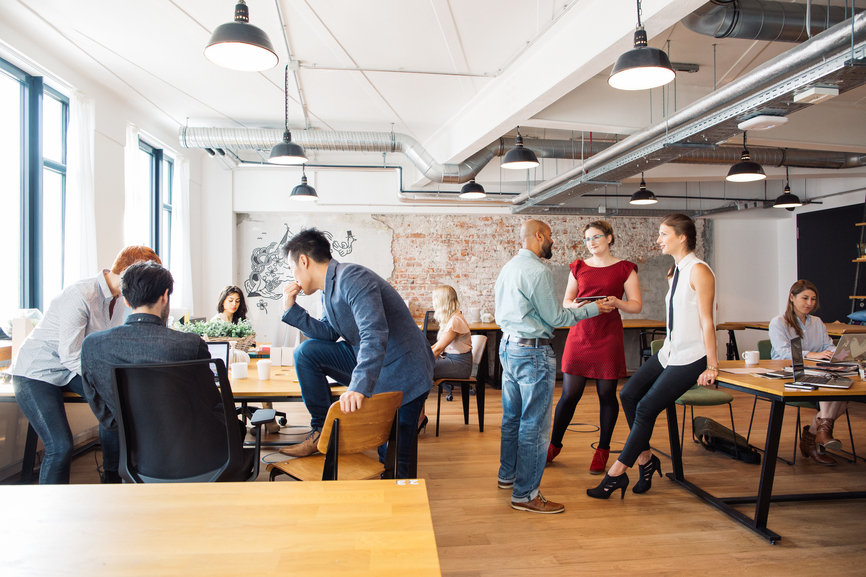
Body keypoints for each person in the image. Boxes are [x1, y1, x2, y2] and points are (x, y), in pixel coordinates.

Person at [277, 228, 435, 479]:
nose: (292, 276)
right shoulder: (328, 291)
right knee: (306, 352)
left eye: (292, 269)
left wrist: (359, 386)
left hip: (404, 368)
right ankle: (321, 429)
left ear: (303, 261)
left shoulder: (352, 277)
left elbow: (374, 332)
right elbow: (328, 332)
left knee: (393, 459)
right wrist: (292, 309)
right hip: (371, 359)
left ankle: (400, 506)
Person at [588, 214, 717, 499]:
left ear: (682, 237)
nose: (658, 240)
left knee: (646, 408)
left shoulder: (699, 271)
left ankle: (616, 474)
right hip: (670, 350)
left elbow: (707, 321)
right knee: (629, 395)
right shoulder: (676, 271)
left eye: (663, 234)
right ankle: (647, 460)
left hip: (692, 356)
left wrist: (712, 364)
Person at [9, 246, 160, 484]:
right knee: (60, 446)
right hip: (37, 371)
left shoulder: (121, 299)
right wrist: (105, 376)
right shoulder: (79, 294)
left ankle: (112, 481)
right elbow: (69, 354)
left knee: (115, 408)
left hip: (69, 371)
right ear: (130, 272)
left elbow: (107, 345)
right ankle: (51, 510)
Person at [495, 219, 613, 514]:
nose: (552, 241)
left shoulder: (509, 268)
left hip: (508, 348)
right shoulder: (538, 271)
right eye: (549, 236)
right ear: (537, 236)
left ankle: (507, 476)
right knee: (534, 426)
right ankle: (525, 495)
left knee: (512, 418)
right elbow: (557, 319)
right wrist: (594, 308)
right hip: (532, 354)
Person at [80, 261, 214, 479]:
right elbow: (210, 403)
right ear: (164, 296)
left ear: (125, 299)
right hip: (193, 457)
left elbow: (102, 409)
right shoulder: (190, 344)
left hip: (135, 460)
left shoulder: (93, 345)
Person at [548, 220, 642, 474]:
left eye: (597, 237)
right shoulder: (578, 267)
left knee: (606, 395)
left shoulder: (625, 268)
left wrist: (617, 303)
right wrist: (575, 306)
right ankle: (553, 445)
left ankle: (603, 450)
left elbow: (635, 305)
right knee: (569, 395)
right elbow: (567, 301)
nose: (592, 243)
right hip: (580, 334)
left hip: (608, 335)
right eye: (588, 239)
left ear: (610, 238)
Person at [769, 280, 847, 465]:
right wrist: (813, 354)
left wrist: (835, 353)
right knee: (838, 397)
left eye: (813, 299)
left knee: (842, 399)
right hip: (788, 375)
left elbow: (828, 345)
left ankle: (815, 437)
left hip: (817, 372)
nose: (809, 303)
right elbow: (783, 352)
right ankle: (816, 439)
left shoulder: (817, 322)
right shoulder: (779, 322)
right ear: (792, 297)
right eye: (805, 298)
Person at [431, 284, 473, 407]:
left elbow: (438, 349)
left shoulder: (455, 320)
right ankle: (418, 413)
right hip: (453, 360)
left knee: (419, 371)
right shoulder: (452, 318)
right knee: (418, 369)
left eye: (434, 299)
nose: (433, 302)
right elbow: (437, 346)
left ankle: (418, 415)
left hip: (460, 365)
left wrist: (424, 361)